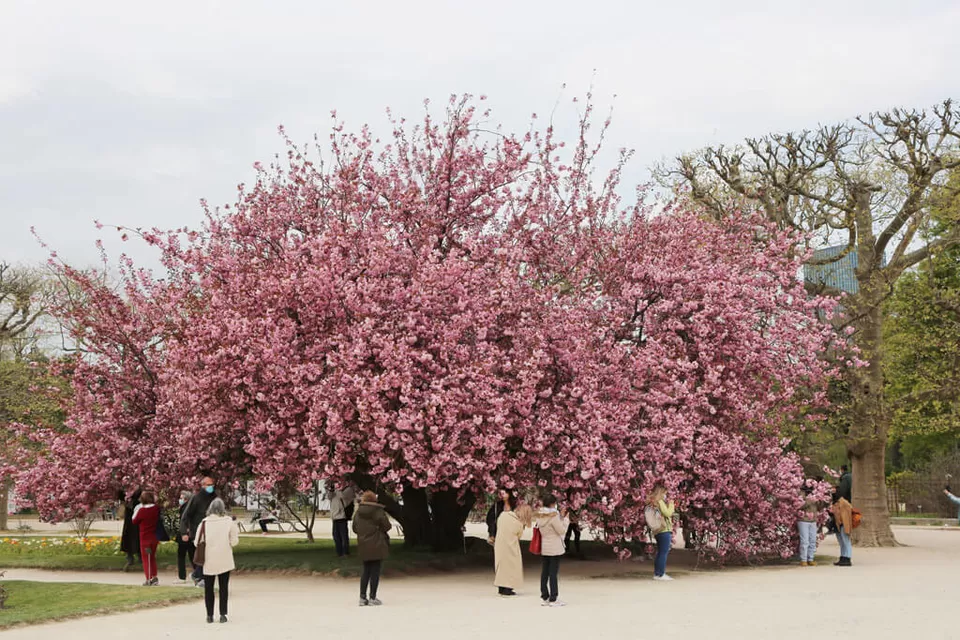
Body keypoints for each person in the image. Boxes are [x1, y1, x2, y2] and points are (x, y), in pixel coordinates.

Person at [198, 498, 238, 623]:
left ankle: (209, 615)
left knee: (208, 588)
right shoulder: (229, 522)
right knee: (223, 587)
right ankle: (223, 614)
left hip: (209, 559)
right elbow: (234, 541)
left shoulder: (204, 523)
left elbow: (197, 542)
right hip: (224, 558)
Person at [352, 490, 391, 606]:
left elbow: (354, 528)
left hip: (363, 543)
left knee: (365, 570)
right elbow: (387, 526)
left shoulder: (358, 512)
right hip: (377, 543)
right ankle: (373, 597)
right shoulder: (378, 511)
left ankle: (362, 597)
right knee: (375, 571)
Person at [179, 476, 217, 586]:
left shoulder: (215, 497)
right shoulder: (196, 498)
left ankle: (198, 575)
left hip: (212, 531)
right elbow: (186, 516)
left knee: (209, 555)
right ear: (203, 485)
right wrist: (184, 532)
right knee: (203, 555)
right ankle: (201, 577)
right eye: (208, 485)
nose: (211, 487)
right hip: (198, 531)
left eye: (212, 485)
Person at [536, 495, 570, 607]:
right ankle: (553, 598)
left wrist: (560, 516)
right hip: (554, 547)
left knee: (545, 572)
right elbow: (561, 530)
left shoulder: (540, 515)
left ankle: (544, 596)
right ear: (552, 503)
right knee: (553, 573)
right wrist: (565, 519)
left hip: (545, 546)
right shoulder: (553, 516)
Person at [494, 497, 531, 597]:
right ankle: (508, 588)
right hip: (511, 546)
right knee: (511, 567)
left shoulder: (503, 515)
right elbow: (519, 536)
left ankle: (501, 587)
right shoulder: (518, 523)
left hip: (499, 544)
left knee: (501, 566)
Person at [131, 489, 161, 585]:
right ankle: (154, 576)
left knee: (146, 558)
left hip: (145, 538)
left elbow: (134, 521)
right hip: (154, 537)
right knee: (152, 557)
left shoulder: (142, 511)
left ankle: (148, 578)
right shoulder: (156, 509)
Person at [646, 485, 676, 581]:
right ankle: (661, 574)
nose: (665, 495)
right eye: (665, 493)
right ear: (661, 493)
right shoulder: (660, 501)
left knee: (660, 553)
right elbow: (667, 513)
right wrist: (671, 505)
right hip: (664, 530)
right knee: (663, 553)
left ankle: (657, 574)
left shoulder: (653, 502)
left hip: (658, 530)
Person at [329, 483, 356, 556]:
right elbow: (329, 497)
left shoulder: (347, 490)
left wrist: (338, 488)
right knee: (336, 536)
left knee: (343, 536)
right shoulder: (334, 492)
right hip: (335, 517)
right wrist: (331, 490)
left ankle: (345, 552)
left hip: (342, 517)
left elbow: (343, 496)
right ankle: (339, 552)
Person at [119, 488, 142, 572]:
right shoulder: (123, 485)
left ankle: (140, 555)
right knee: (128, 536)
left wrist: (132, 496)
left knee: (137, 535)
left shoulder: (138, 489)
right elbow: (120, 494)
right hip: (129, 515)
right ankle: (130, 556)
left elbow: (139, 492)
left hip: (137, 512)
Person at [176, 491, 196, 583]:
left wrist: (186, 531)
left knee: (182, 555)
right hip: (189, 534)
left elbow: (186, 520)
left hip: (185, 534)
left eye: (182, 498)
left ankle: (182, 576)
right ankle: (197, 574)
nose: (180, 500)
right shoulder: (190, 507)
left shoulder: (186, 508)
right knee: (192, 555)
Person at [830, 497, 854, 567]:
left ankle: (847, 558)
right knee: (842, 542)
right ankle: (843, 557)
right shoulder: (836, 502)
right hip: (838, 525)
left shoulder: (843, 502)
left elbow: (848, 510)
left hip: (843, 524)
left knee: (846, 541)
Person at [797, 490, 819, 567]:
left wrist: (822, 500)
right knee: (805, 541)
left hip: (813, 520)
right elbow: (799, 506)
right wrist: (809, 500)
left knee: (813, 540)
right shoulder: (800, 493)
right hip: (803, 520)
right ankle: (803, 560)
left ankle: (811, 559)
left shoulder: (816, 492)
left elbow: (819, 507)